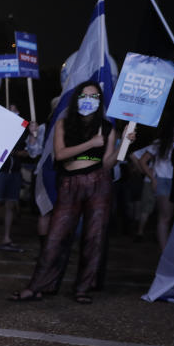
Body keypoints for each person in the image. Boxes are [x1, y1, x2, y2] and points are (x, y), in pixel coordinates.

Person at [12, 80, 129, 304]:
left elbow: (107, 164)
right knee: (55, 236)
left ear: (100, 101)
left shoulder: (107, 128)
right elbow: (61, 155)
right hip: (69, 183)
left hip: (99, 183)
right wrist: (91, 143)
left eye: (94, 97)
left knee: (94, 237)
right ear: (77, 99)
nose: (89, 101)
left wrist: (123, 146)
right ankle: (38, 286)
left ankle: (83, 287)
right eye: (85, 96)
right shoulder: (64, 124)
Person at [130, 118, 174, 253]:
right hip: (163, 180)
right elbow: (142, 160)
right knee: (165, 216)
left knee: (171, 217)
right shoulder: (160, 143)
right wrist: (153, 178)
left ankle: (170, 249)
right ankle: (165, 251)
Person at [0, 104, 27, 248]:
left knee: (10, 205)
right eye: (11, 109)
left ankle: (6, 237)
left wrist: (15, 153)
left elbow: (27, 152)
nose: (14, 112)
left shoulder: (22, 132)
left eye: (16, 109)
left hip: (15, 173)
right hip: (0, 173)